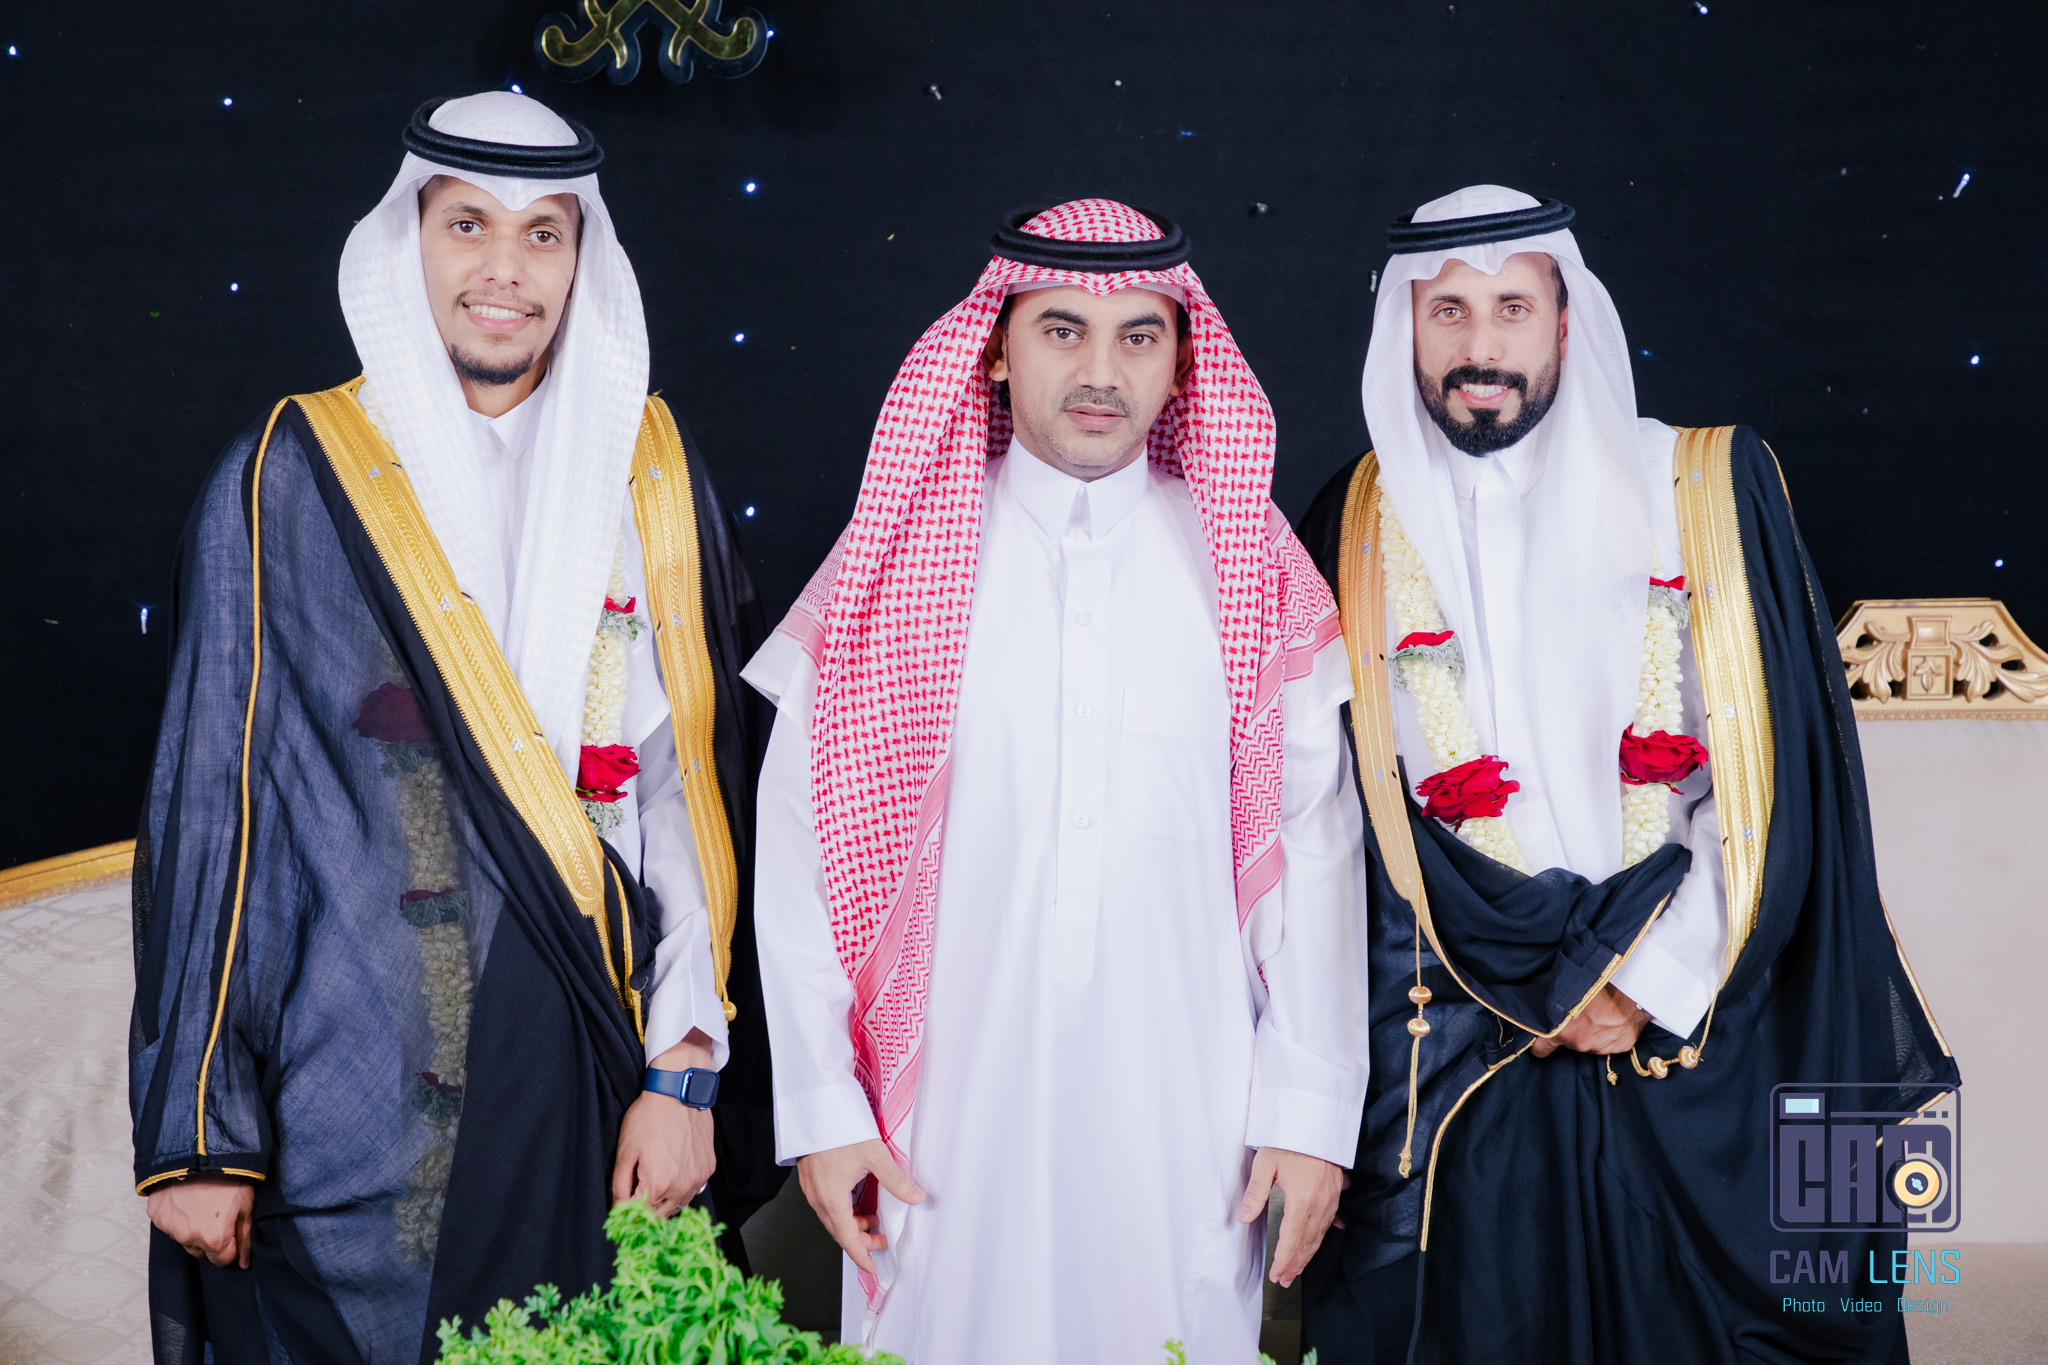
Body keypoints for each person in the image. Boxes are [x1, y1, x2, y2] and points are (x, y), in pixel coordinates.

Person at [130, 92, 779, 1365]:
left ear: (582, 258)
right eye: (468, 225)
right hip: (348, 1088)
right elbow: (220, 801)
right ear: (408, 240)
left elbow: (680, 790)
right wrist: (201, 1130)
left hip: (593, 1071)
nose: (504, 270)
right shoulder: (297, 470)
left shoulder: (649, 469)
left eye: (544, 234)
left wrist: (682, 1071)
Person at [1296, 185, 1959, 1363]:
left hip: (1688, 1005)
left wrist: (1645, 981)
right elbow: (1339, 822)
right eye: (1446, 312)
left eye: (1511, 307)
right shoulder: (1349, 523)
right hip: (1464, 1027)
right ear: (1403, 329)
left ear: (1564, 321)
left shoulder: (1699, 489)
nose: (1480, 346)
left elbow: (1775, 782)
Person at [743, 200, 1372, 1363]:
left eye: (1138, 336)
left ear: (1181, 363)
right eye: (1062, 329)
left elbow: (1318, 852)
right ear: (995, 348)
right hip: (938, 1128)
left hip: (1190, 1119)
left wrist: (1308, 1113)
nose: (1100, 371)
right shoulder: (896, 561)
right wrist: (824, 1107)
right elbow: (797, 853)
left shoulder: (1250, 569)